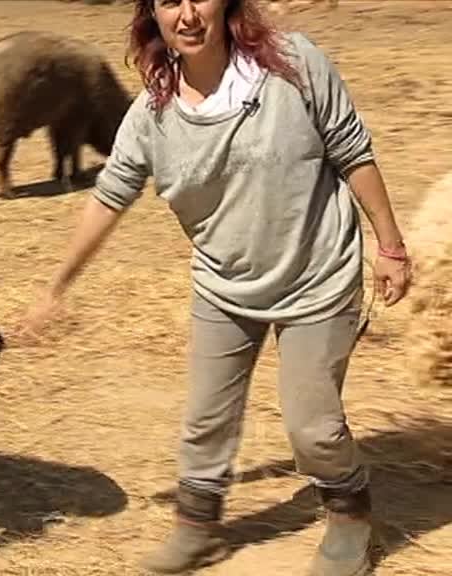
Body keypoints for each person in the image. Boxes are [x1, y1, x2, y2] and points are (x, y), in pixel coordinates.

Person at [22, 0, 412, 574]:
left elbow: (353, 152)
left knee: (313, 427)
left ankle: (350, 516)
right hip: (225, 285)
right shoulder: (153, 114)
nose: (186, 15)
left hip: (318, 278)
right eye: (168, 2)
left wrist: (391, 245)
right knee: (206, 418)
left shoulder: (294, 67)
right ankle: (197, 527)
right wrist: (55, 287)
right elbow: (109, 197)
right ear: (151, 15)